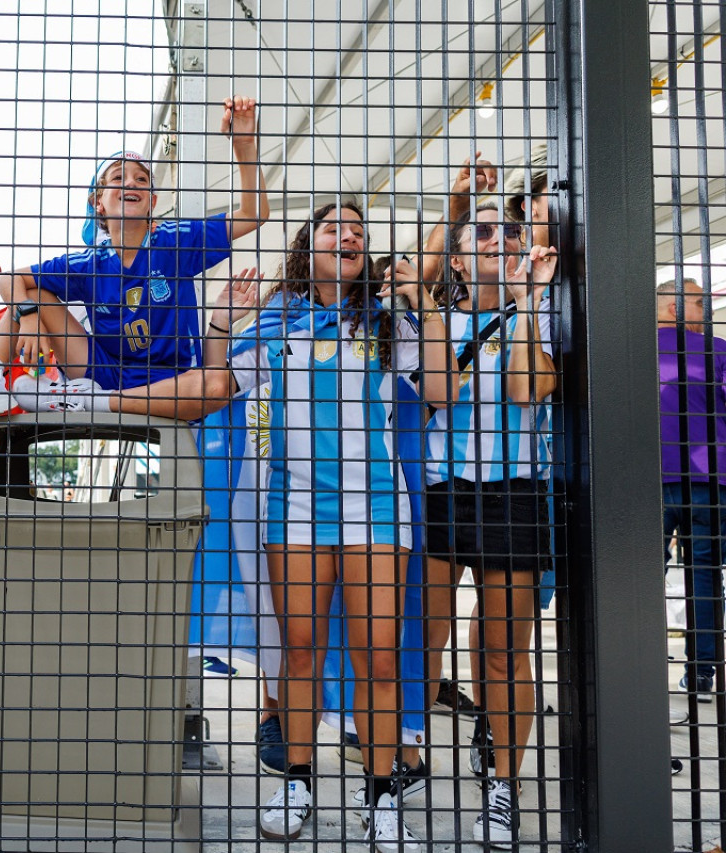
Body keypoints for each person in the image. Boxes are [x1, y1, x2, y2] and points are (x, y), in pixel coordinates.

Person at [230, 201, 456, 849]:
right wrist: (223, 320)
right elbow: (225, 381)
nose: (349, 234)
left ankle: (381, 794)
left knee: (380, 659)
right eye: (334, 226)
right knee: (299, 651)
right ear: (309, 245)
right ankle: (297, 779)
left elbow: (441, 392)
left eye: (358, 229)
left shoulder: (389, 320)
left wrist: (428, 307)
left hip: (378, 508)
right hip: (294, 507)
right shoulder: (278, 318)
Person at [0, 96, 268, 421]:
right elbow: (9, 279)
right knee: (34, 293)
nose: (131, 183)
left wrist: (245, 146)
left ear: (153, 201)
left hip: (168, 380)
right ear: (98, 202)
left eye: (142, 179)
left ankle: (80, 399)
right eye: (119, 177)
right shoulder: (91, 262)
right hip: (99, 370)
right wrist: (29, 317)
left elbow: (254, 215)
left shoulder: (177, 241)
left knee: (216, 386)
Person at [420, 203, 558, 848]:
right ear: (456, 257)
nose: (501, 240)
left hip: (515, 495)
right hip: (443, 493)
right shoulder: (436, 321)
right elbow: (440, 395)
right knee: (423, 642)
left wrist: (527, 302)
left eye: (511, 232)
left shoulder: (544, 317)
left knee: (505, 651)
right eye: (482, 233)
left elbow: (529, 391)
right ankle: (401, 765)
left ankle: (503, 789)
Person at [658, 277, 725, 703]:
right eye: (699, 303)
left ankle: (635, 661)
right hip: (709, 478)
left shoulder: (630, 350)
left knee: (640, 573)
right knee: (704, 573)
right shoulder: (717, 350)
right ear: (671, 307)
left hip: (648, 479)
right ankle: (701, 673)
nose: (706, 312)